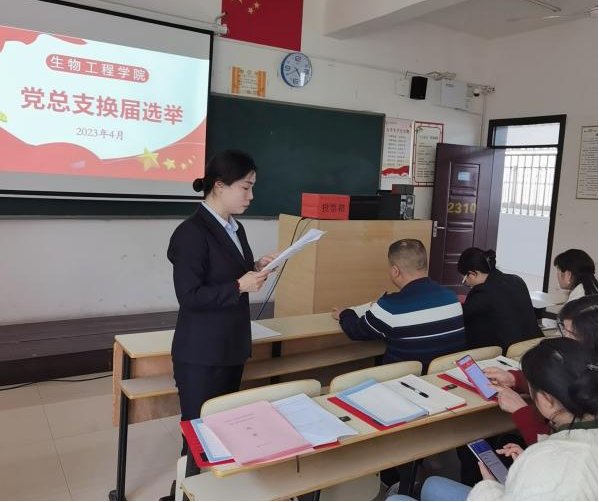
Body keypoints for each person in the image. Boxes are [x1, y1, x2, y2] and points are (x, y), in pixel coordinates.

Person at [387, 338, 598, 501]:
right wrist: (525, 465)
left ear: (546, 400)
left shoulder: (548, 462)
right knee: (433, 484)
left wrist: (490, 485)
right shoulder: (562, 452)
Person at [167, 150, 278, 454]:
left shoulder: (234, 227)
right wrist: (240, 285)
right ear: (219, 185)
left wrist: (254, 267)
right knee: (199, 433)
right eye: (245, 187)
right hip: (202, 352)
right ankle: (189, 482)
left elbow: (224, 273)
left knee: (224, 428)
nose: (251, 196)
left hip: (231, 344)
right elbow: (190, 296)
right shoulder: (191, 233)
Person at [332, 239, 465, 370]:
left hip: (403, 380)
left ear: (395, 271)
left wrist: (344, 313)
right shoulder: (451, 297)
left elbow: (355, 330)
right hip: (442, 377)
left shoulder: (390, 307)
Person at [485, 295, 598, 446]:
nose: (562, 337)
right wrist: (516, 379)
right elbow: (566, 386)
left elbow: (558, 448)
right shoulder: (586, 367)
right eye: (562, 329)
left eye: (568, 333)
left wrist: (521, 411)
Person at [458, 248, 541, 351]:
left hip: (507, 353)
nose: (467, 284)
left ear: (472, 274)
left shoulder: (483, 292)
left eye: (465, 280)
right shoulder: (516, 280)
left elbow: (461, 316)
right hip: (534, 347)